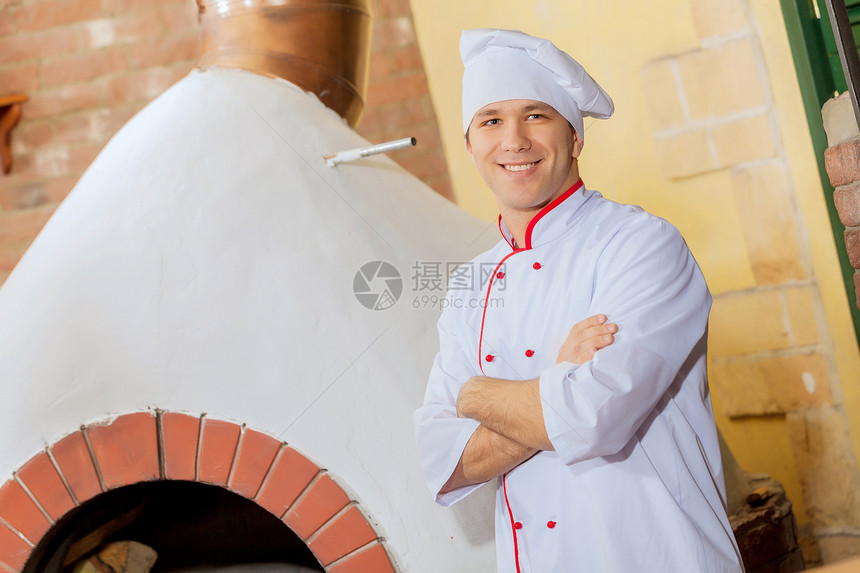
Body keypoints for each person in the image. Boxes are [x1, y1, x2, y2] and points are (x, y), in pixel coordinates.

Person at [413, 28, 744, 573]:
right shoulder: (469, 284)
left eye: (536, 115)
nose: (513, 140)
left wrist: (473, 395)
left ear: (575, 135)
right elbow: (443, 462)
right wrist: (557, 376)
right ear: (470, 144)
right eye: (491, 120)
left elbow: (592, 418)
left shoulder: (642, 244)